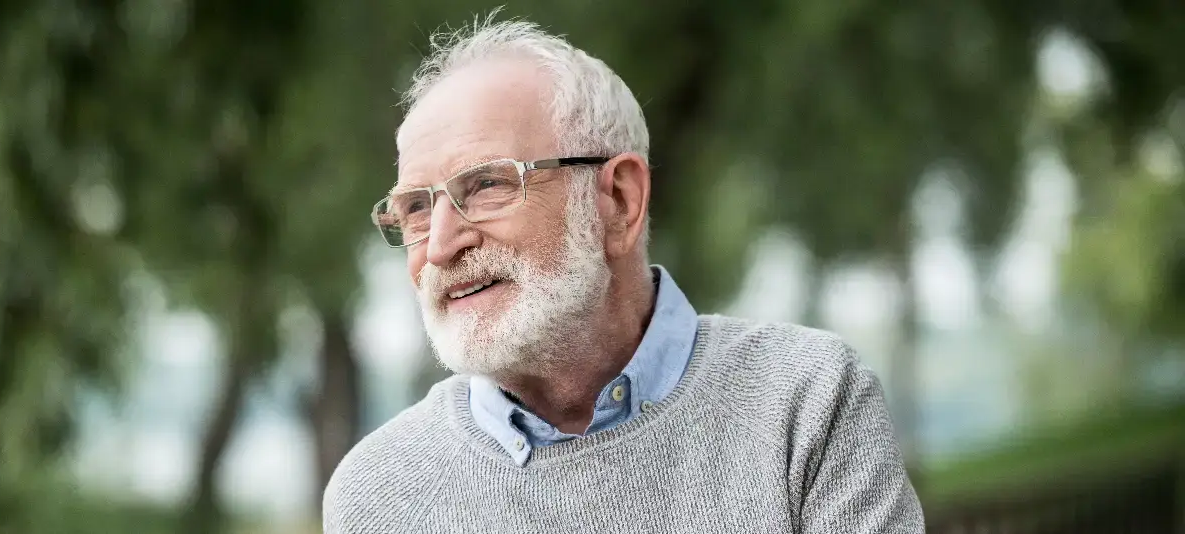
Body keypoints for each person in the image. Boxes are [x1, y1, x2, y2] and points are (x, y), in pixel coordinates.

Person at [321, 14, 924, 533]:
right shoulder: (376, 497)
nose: (440, 247)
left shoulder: (806, 403)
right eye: (416, 209)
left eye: (486, 185)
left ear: (619, 202)